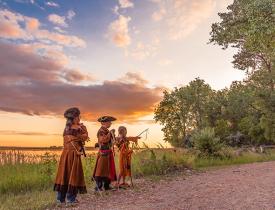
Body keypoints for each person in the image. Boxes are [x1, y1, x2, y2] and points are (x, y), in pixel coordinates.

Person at [54, 107, 89, 205]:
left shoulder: (66, 129)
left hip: (65, 155)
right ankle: (71, 200)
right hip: (74, 154)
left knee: (64, 175)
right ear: (75, 118)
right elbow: (85, 137)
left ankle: (60, 200)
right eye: (79, 116)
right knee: (73, 175)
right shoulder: (78, 128)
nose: (80, 118)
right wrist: (83, 128)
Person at [92, 116, 117, 191]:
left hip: (108, 152)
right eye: (109, 122)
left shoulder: (106, 130)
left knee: (108, 169)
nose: (111, 123)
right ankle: (98, 187)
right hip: (103, 152)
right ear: (104, 123)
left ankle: (107, 186)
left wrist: (113, 135)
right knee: (101, 170)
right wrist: (110, 134)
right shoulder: (101, 131)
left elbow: (112, 142)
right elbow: (103, 140)